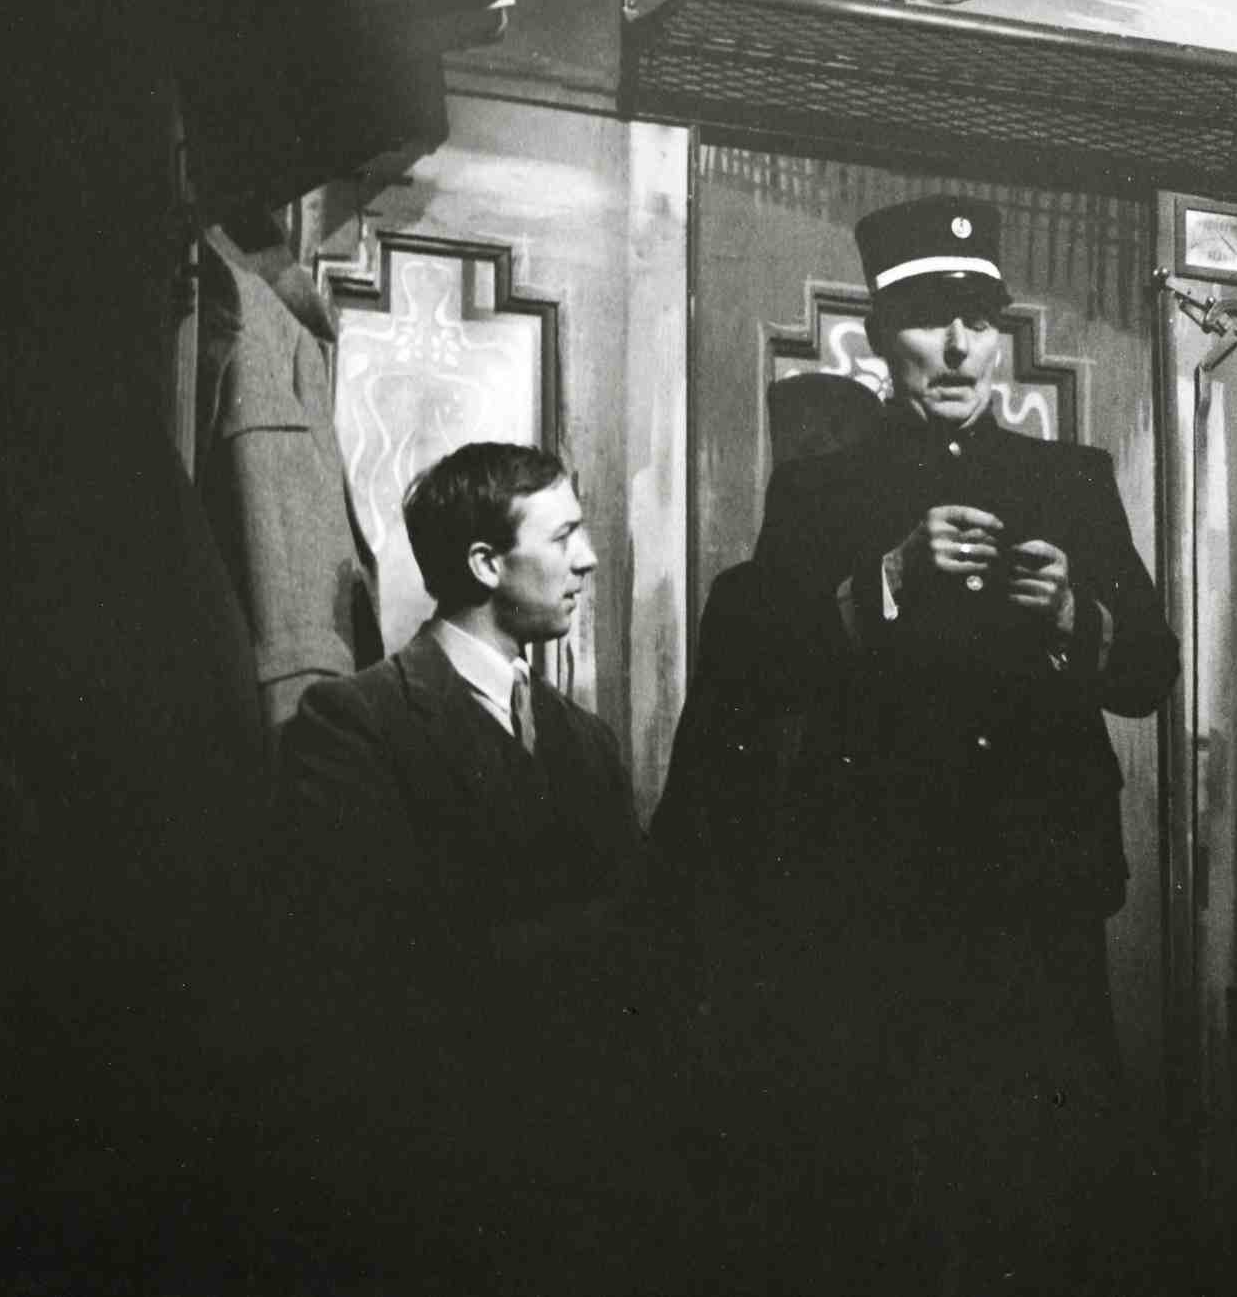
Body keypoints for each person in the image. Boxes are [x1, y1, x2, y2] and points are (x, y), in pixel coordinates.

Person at [688, 193, 1180, 1293]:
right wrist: (887, 581)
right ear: (880, 337)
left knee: (1043, 1189)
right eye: (927, 321)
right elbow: (757, 676)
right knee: (892, 1195)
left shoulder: (1073, 480)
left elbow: (1150, 675)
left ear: (999, 338)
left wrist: (1075, 616)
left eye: (978, 321)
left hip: (1039, 898)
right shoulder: (820, 492)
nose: (957, 347)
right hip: (879, 899)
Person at [269, 441, 650, 1279]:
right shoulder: (353, 724)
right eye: (563, 536)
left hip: (588, 1193)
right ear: (485, 563)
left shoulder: (586, 741)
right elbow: (364, 978)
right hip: (436, 1196)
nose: (587, 559)